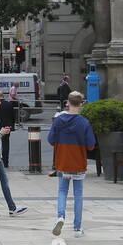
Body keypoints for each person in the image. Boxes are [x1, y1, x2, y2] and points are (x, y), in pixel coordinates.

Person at [48, 91, 95, 237]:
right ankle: (77, 227)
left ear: (68, 103)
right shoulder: (84, 122)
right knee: (78, 194)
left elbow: (50, 140)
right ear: (81, 104)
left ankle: (60, 216)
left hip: (62, 161)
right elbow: (91, 145)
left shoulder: (59, 120)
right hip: (78, 163)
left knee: (62, 191)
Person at [0, 91, 18, 168]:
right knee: (5, 144)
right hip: (7, 127)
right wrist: (12, 126)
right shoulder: (9, 104)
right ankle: (5, 162)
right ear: (3, 96)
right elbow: (13, 116)